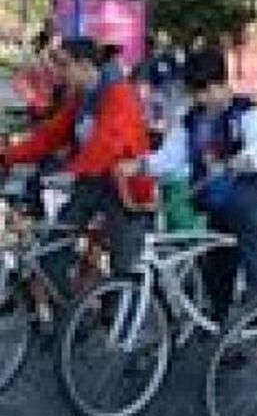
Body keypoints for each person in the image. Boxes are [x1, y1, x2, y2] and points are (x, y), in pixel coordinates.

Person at [129, 49, 257, 321]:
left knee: (242, 207)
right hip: (218, 195)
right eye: (196, 92)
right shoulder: (191, 120)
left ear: (223, 85)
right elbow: (170, 156)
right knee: (215, 260)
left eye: (207, 90)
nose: (201, 98)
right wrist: (139, 165)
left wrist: (240, 161)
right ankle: (219, 323)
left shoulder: (246, 114)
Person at [0, 38, 153, 295]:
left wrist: (69, 174)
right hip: (91, 183)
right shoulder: (83, 99)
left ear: (84, 65)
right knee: (53, 250)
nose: (59, 74)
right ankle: (73, 323)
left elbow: (107, 143)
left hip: (125, 188)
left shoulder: (118, 93)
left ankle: (123, 323)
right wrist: (7, 156)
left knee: (124, 265)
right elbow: (49, 137)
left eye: (64, 66)